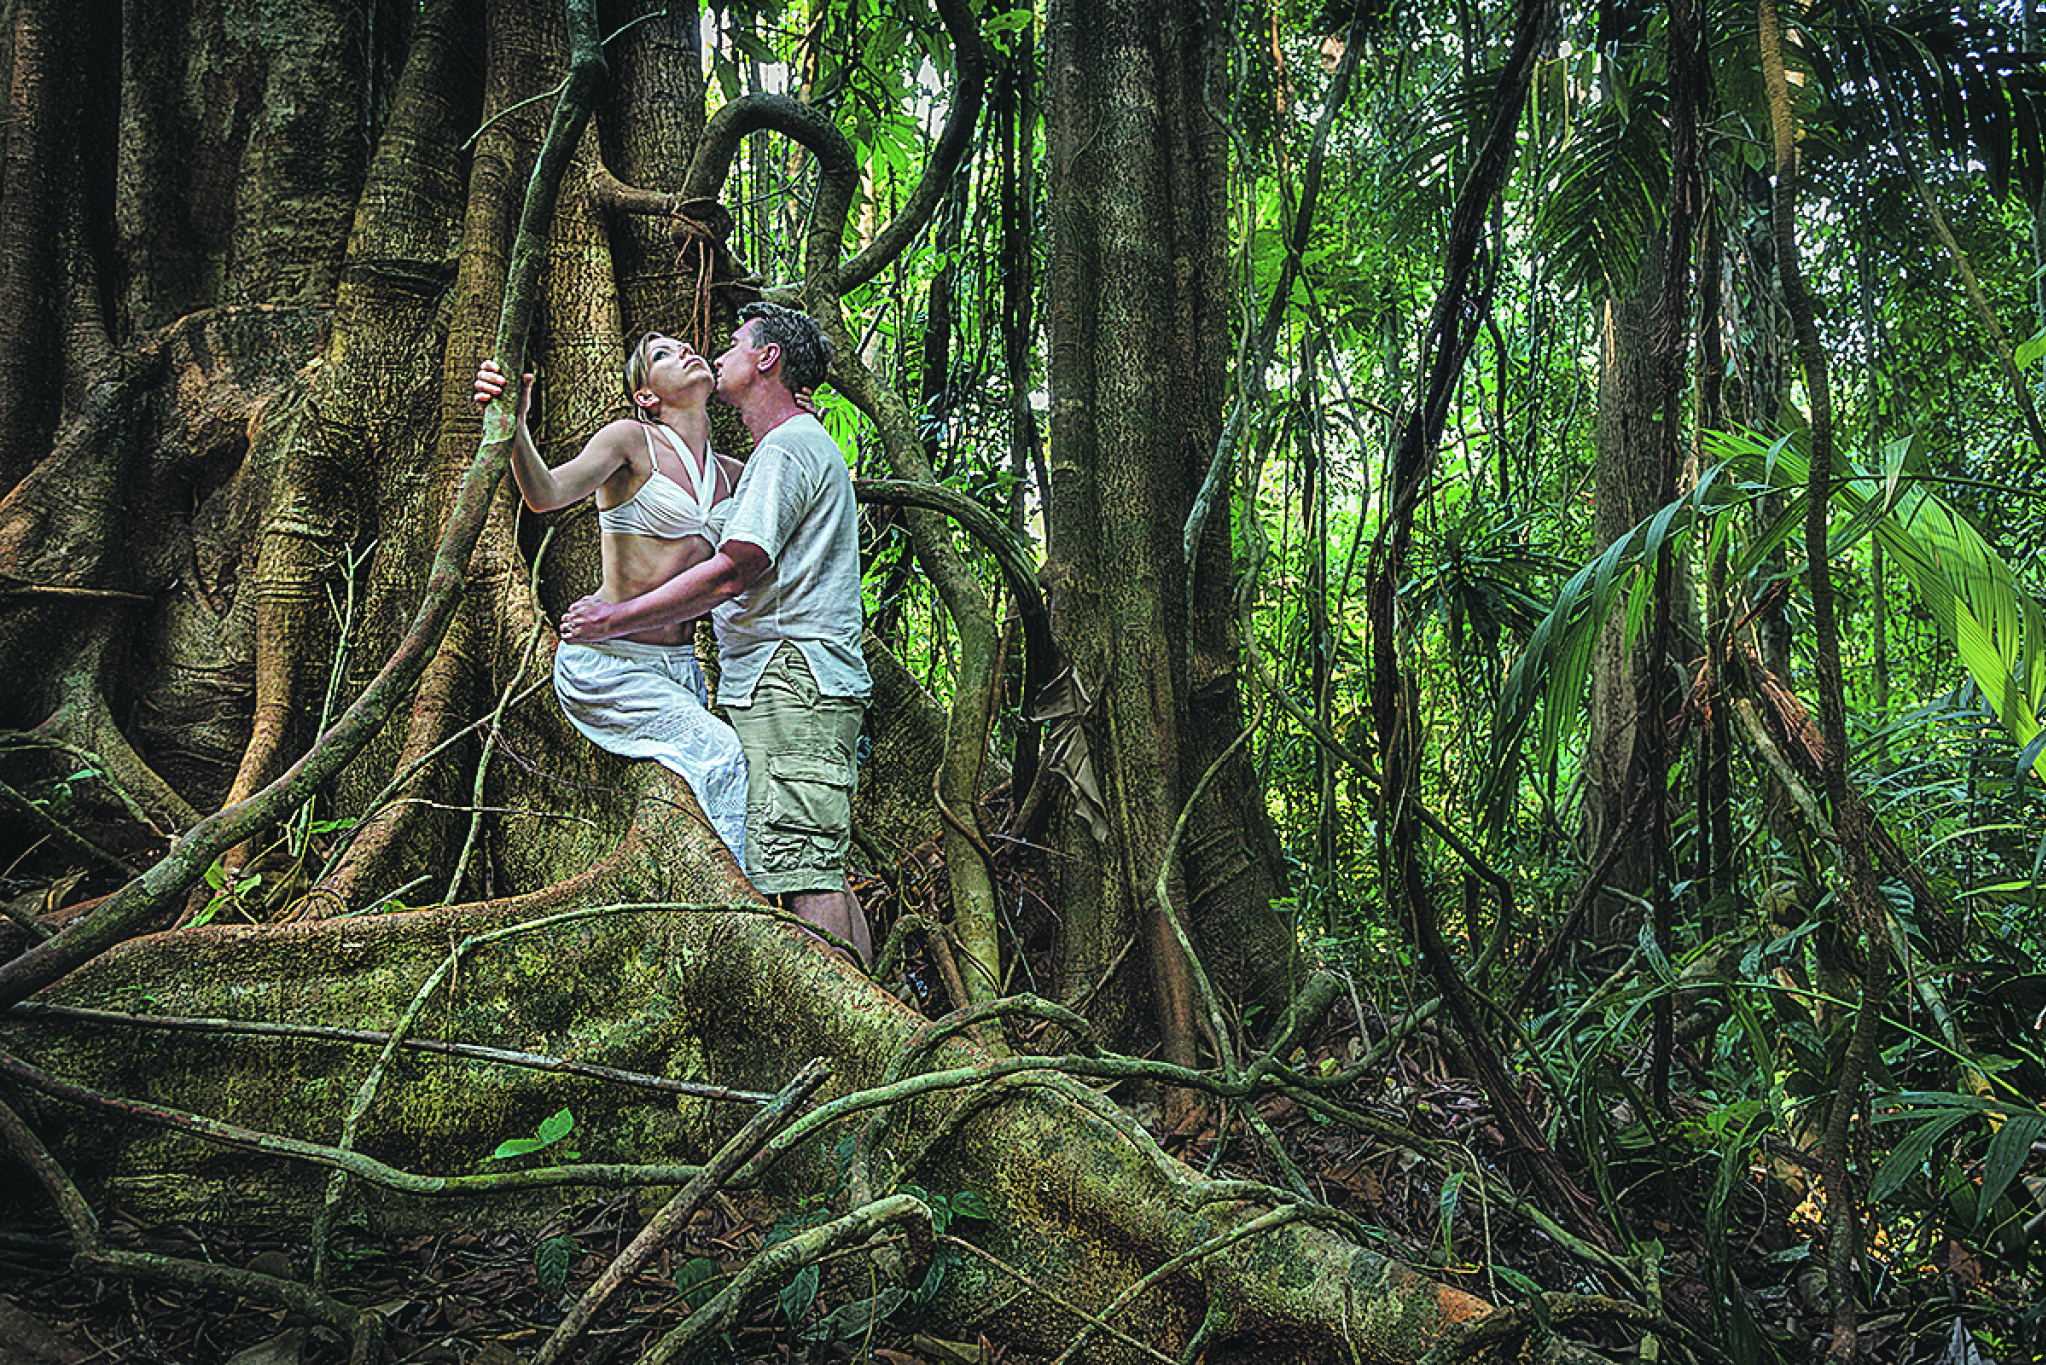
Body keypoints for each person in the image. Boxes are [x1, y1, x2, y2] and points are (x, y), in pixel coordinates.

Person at [558, 302, 874, 965]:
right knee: (811, 855)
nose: (716, 351)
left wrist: (613, 619)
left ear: (767, 359)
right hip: (784, 681)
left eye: (733, 343)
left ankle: (856, 1036)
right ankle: (861, 1022)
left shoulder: (785, 448)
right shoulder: (776, 451)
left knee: (804, 868)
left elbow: (733, 570)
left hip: (794, 678)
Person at [473, 334, 750, 871]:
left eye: (688, 346)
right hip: (610, 664)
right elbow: (546, 494)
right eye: (664, 355)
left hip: (679, 671)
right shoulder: (630, 440)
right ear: (646, 396)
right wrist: (514, 426)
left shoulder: (734, 475)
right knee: (722, 756)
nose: (688, 351)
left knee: (722, 777)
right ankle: (744, 917)